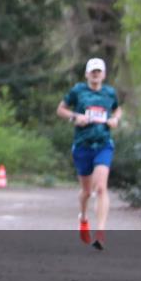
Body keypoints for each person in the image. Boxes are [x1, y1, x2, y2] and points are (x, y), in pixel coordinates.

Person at [56, 57, 122, 251]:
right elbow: (60, 109)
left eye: (98, 71)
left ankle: (100, 232)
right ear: (86, 74)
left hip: (103, 144)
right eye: (92, 71)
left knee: (101, 187)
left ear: (103, 74)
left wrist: (115, 120)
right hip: (82, 144)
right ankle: (83, 218)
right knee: (86, 191)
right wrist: (75, 117)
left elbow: (118, 110)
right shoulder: (78, 91)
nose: (95, 74)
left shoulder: (109, 93)